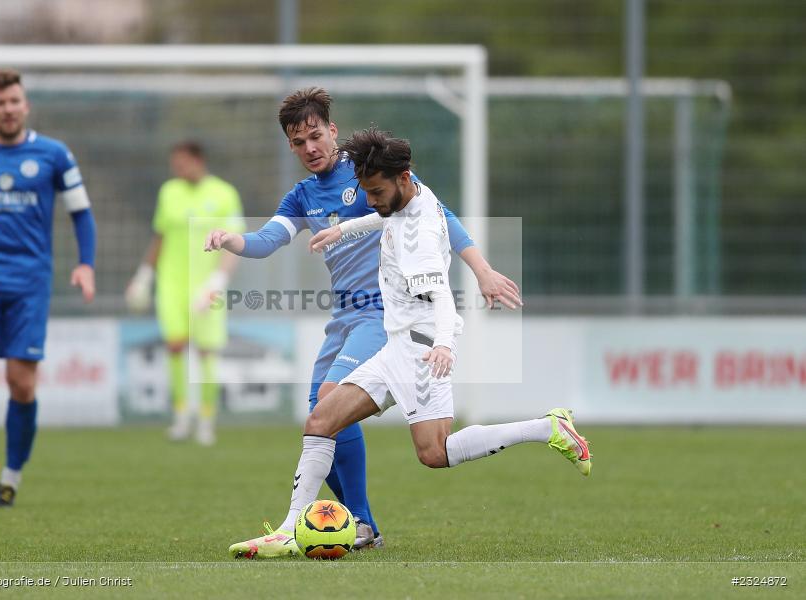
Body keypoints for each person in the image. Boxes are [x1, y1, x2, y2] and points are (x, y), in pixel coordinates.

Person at [227, 127, 591, 558]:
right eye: (366, 192)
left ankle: (545, 427)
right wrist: (342, 231)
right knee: (321, 419)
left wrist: (444, 346)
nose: (372, 201)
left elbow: (440, 297)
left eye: (376, 192)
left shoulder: (417, 241)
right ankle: (290, 528)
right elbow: (385, 214)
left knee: (434, 453)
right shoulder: (413, 192)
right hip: (396, 346)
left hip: (420, 349)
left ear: (402, 179)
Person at [0, 68, 97, 507]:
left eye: (14, 101)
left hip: (28, 284)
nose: (8, 109)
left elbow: (81, 213)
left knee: (20, 385)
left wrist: (85, 264)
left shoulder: (53, 154)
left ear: (25, 105)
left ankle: (10, 476)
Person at [125, 141, 243, 445]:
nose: (177, 169)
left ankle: (206, 420)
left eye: (182, 163)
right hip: (171, 284)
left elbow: (234, 243)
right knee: (175, 347)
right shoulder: (169, 192)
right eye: (173, 164)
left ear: (198, 160)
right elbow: (160, 236)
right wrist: (144, 275)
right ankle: (181, 416)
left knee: (207, 351)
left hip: (207, 286)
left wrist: (217, 281)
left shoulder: (224, 193)